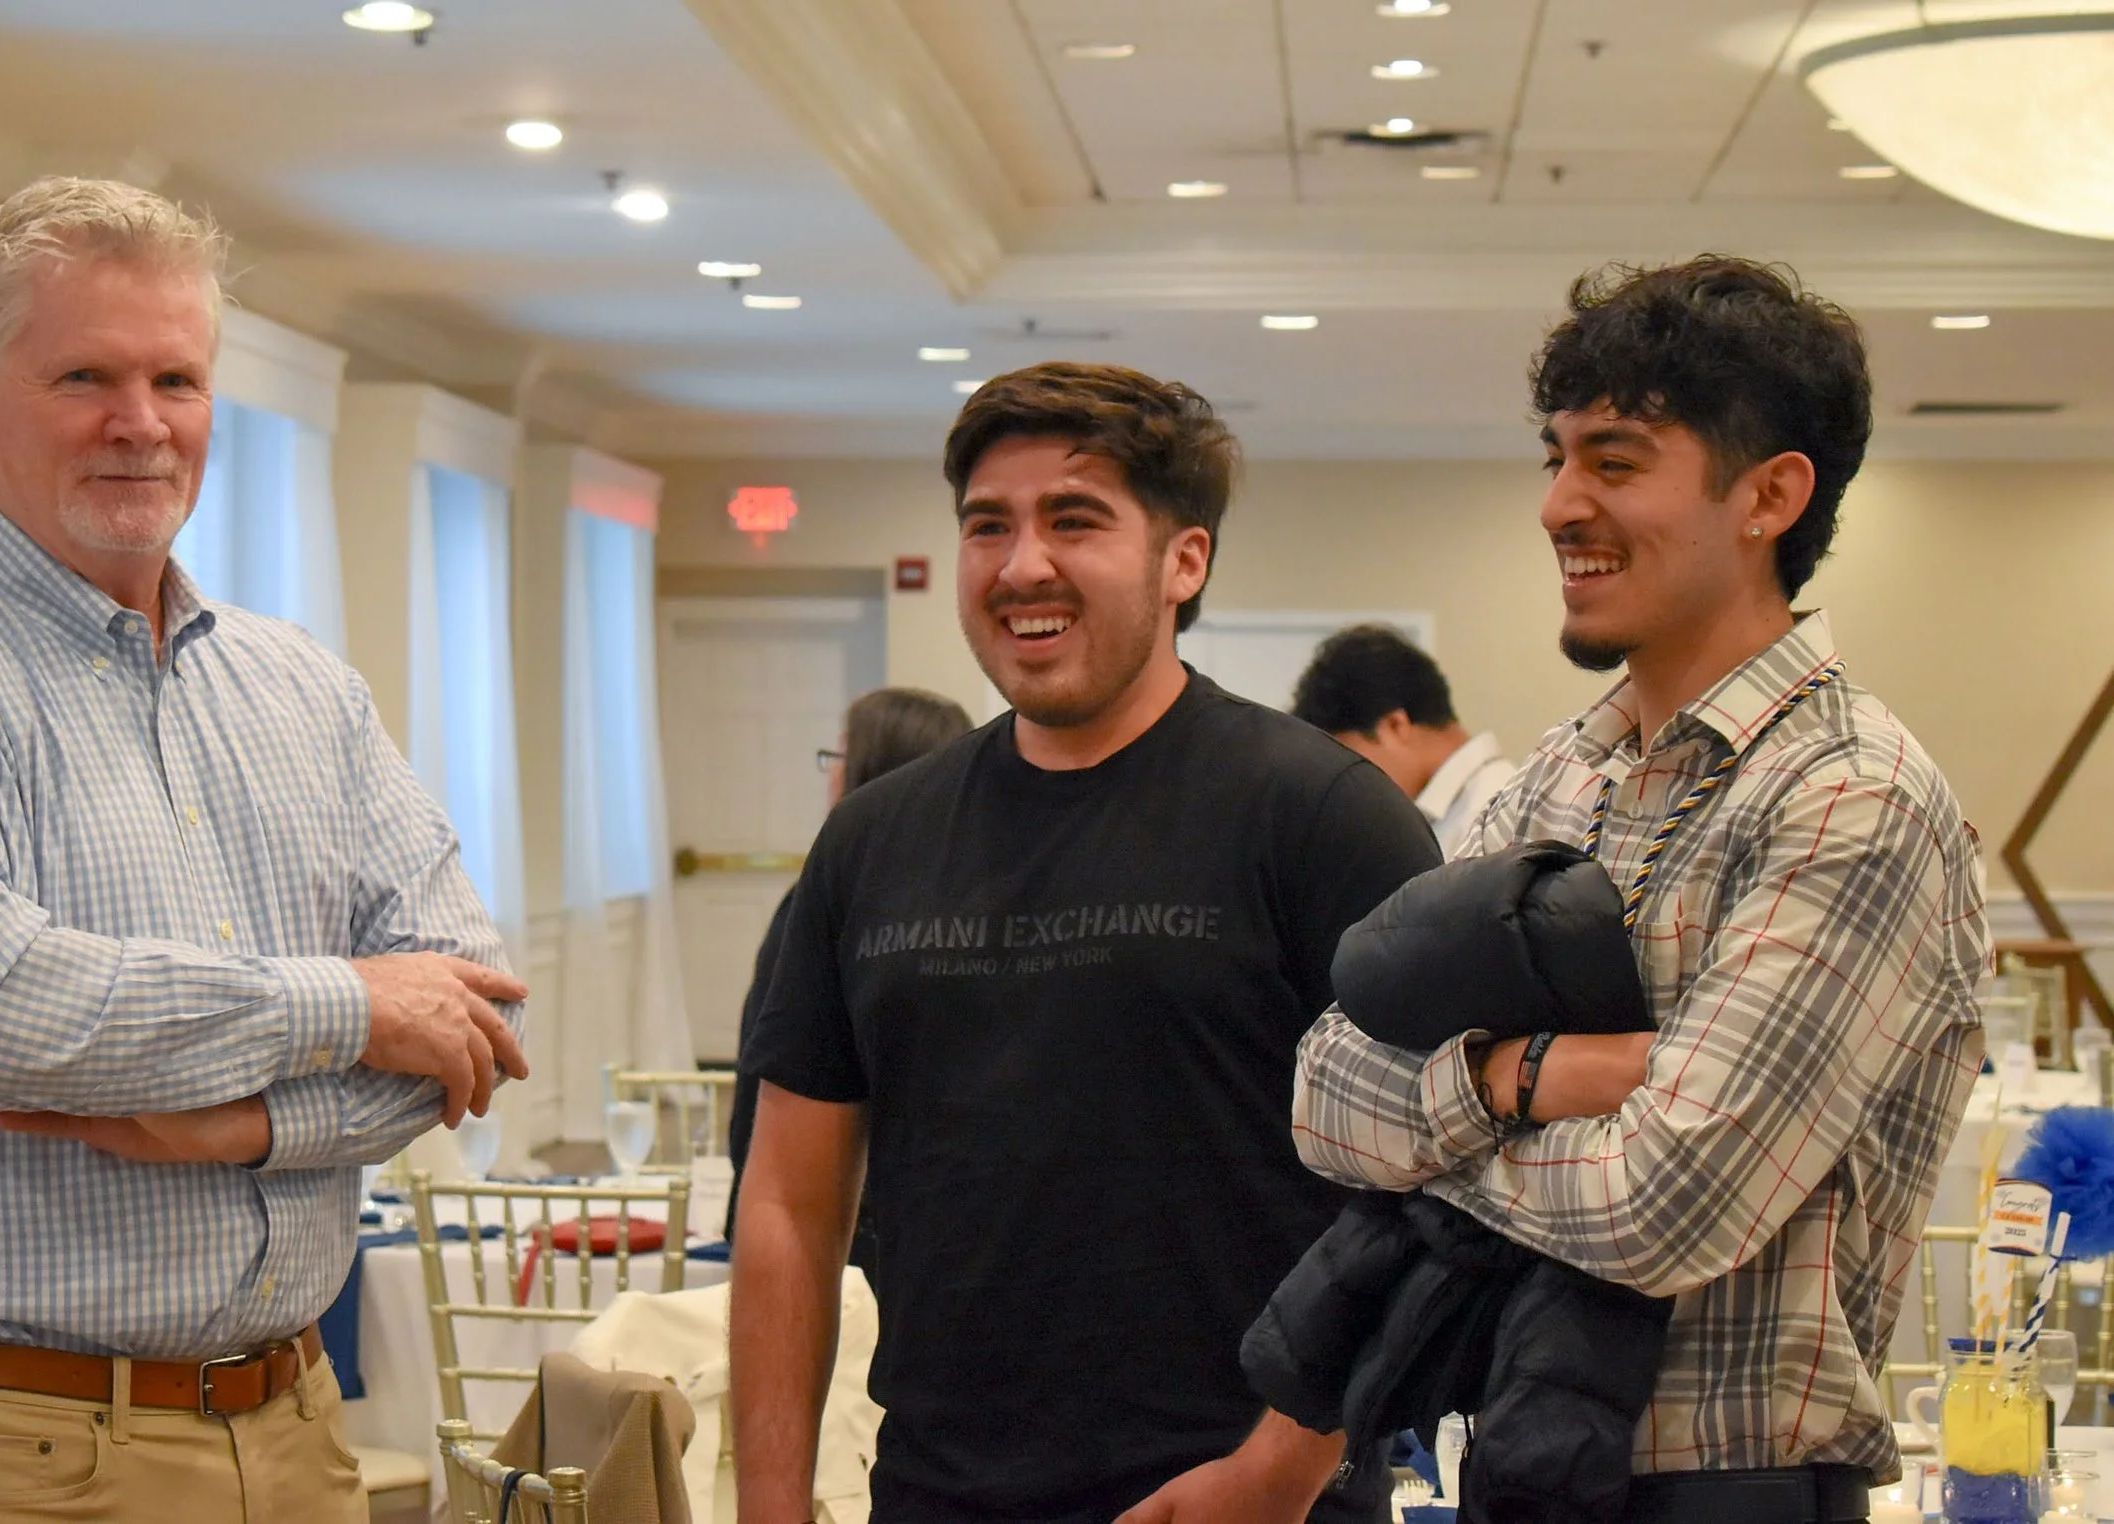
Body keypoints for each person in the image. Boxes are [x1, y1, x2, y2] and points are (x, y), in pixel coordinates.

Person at [0, 177, 530, 1523]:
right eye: (85, 376)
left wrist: (237, 1128)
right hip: (25, 1454)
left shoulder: (307, 693)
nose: (140, 424)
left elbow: (466, 1019)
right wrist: (348, 1003)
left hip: (299, 1426)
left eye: (176, 378)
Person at [1289, 257, 1985, 1524]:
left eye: (1613, 462)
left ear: (1770, 495)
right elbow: (1324, 1092)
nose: (1557, 504)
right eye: (1555, 459)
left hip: (1727, 1490)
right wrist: (1527, 1082)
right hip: (1515, 1463)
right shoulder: (1566, 772)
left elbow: (1665, 1204)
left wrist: (1436, 1137)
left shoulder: (1848, 794)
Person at [731, 362, 1442, 1524]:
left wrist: (1279, 1471)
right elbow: (788, 1204)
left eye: (1074, 520)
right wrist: (770, 1504)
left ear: (1184, 561)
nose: (1021, 567)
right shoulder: (872, 842)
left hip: (1240, 1499)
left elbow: (1432, 1189)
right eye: (986, 526)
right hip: (935, 1493)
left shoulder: (1320, 816)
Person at [723, 685, 974, 1250]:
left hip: (845, 1241)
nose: (829, 774)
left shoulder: (828, 903)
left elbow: (763, 1103)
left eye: (838, 757)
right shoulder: (987, 903)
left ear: (872, 771)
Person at [1289, 625, 1514, 853]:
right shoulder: (1451, 812)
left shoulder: (1494, 812)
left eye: (1349, 758)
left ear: (1395, 725)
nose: (1347, 780)